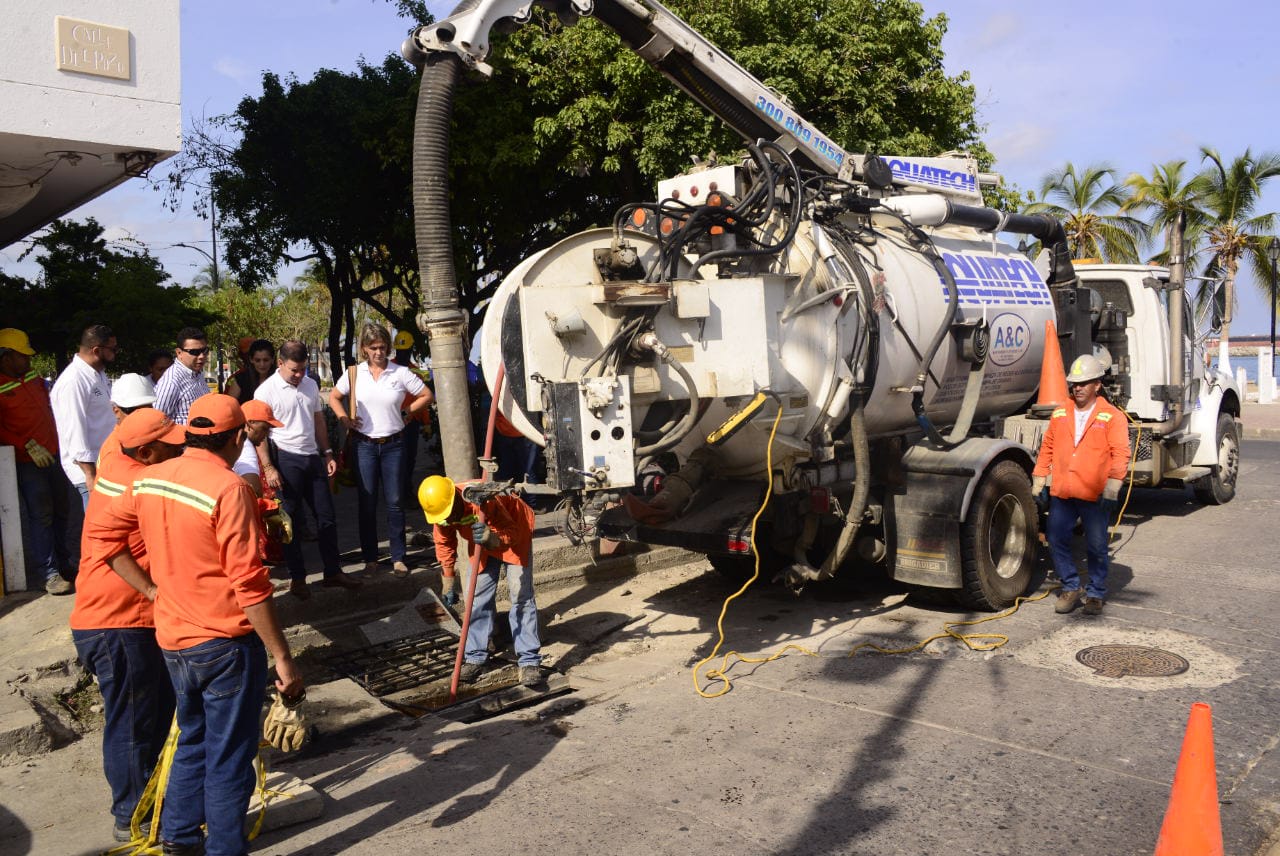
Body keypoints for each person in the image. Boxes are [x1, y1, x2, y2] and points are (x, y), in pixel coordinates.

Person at [98, 395, 304, 856]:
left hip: (173, 641)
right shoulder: (229, 489)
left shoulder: (149, 480)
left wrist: (153, 591)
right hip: (224, 645)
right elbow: (250, 585)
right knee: (230, 759)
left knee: (192, 741)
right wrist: (284, 659)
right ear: (235, 438)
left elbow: (104, 541)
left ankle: (179, 839)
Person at [73, 408, 184, 843]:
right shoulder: (137, 481)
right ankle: (132, 816)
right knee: (134, 721)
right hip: (115, 620)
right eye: (168, 444)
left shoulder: (114, 454)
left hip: (125, 618)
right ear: (145, 450)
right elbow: (106, 543)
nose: (177, 448)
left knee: (151, 714)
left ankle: (152, 802)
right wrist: (153, 590)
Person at [255, 339, 361, 598]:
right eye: (294, 370)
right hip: (285, 459)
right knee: (289, 523)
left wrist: (327, 453)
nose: (299, 374)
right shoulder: (265, 391)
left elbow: (318, 421)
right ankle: (298, 577)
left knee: (326, 517)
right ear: (280, 364)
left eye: (303, 368)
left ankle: (333, 571)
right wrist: (269, 467)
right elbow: (258, 433)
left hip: (312, 457)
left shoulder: (311, 384)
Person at [419, 475, 543, 687]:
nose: (448, 520)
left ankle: (529, 661)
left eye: (450, 515)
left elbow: (510, 530)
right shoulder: (441, 510)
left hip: (513, 532)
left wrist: (493, 540)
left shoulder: (482, 498)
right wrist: (448, 579)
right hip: (480, 541)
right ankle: (476, 656)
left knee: (521, 595)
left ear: (456, 499)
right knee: (476, 596)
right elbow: (444, 542)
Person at [329, 324, 431, 578]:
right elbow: (334, 397)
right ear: (364, 349)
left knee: (395, 503)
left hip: (394, 445)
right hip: (364, 444)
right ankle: (371, 559)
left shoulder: (400, 372)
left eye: (382, 347)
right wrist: (344, 419)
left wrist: (408, 413)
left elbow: (427, 395)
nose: (378, 352)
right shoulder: (355, 373)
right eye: (373, 347)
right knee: (367, 503)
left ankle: (398, 557)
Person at [1032, 354, 1131, 615]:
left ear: (1097, 384)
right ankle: (1071, 586)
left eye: (1084, 383)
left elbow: (1121, 453)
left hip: (1094, 493)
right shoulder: (1061, 412)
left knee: (1097, 545)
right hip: (1064, 490)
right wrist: (1040, 476)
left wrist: (1113, 485)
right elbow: (1048, 445)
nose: (1078, 387)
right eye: (1074, 383)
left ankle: (1096, 593)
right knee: (1055, 537)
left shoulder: (1112, 417)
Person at [0, 328, 73, 594]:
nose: (29, 361)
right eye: (23, 356)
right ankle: (50, 573)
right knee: (41, 515)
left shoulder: (32, 377)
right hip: (27, 462)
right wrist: (25, 445)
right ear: (6, 357)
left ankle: (65, 564)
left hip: (54, 454)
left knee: (62, 511)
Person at [50, 323, 116, 509]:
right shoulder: (74, 381)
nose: (115, 353)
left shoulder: (98, 374)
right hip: (88, 473)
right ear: (96, 350)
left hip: (104, 466)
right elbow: (75, 431)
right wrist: (90, 475)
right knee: (97, 532)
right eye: (113, 349)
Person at [154, 326, 211, 424]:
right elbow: (156, 421)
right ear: (179, 353)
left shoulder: (197, 373)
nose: (201, 356)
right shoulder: (171, 382)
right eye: (195, 352)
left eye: (205, 351)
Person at [224, 338, 275, 405]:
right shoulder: (240, 379)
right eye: (257, 360)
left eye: (266, 360)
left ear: (272, 359)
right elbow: (228, 406)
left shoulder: (281, 378)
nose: (262, 364)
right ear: (251, 359)